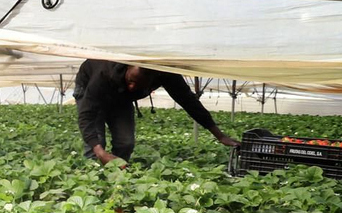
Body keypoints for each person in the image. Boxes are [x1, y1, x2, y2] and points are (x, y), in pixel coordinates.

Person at [73, 59, 237, 165]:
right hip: (89, 87)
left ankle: (117, 176)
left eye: (138, 85)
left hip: (120, 97)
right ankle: (93, 181)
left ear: (153, 81)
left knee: (125, 142)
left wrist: (219, 135)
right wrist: (100, 152)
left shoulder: (166, 74)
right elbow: (87, 114)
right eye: (131, 81)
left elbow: (188, 101)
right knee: (96, 143)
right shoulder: (104, 73)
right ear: (129, 67)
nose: (132, 87)